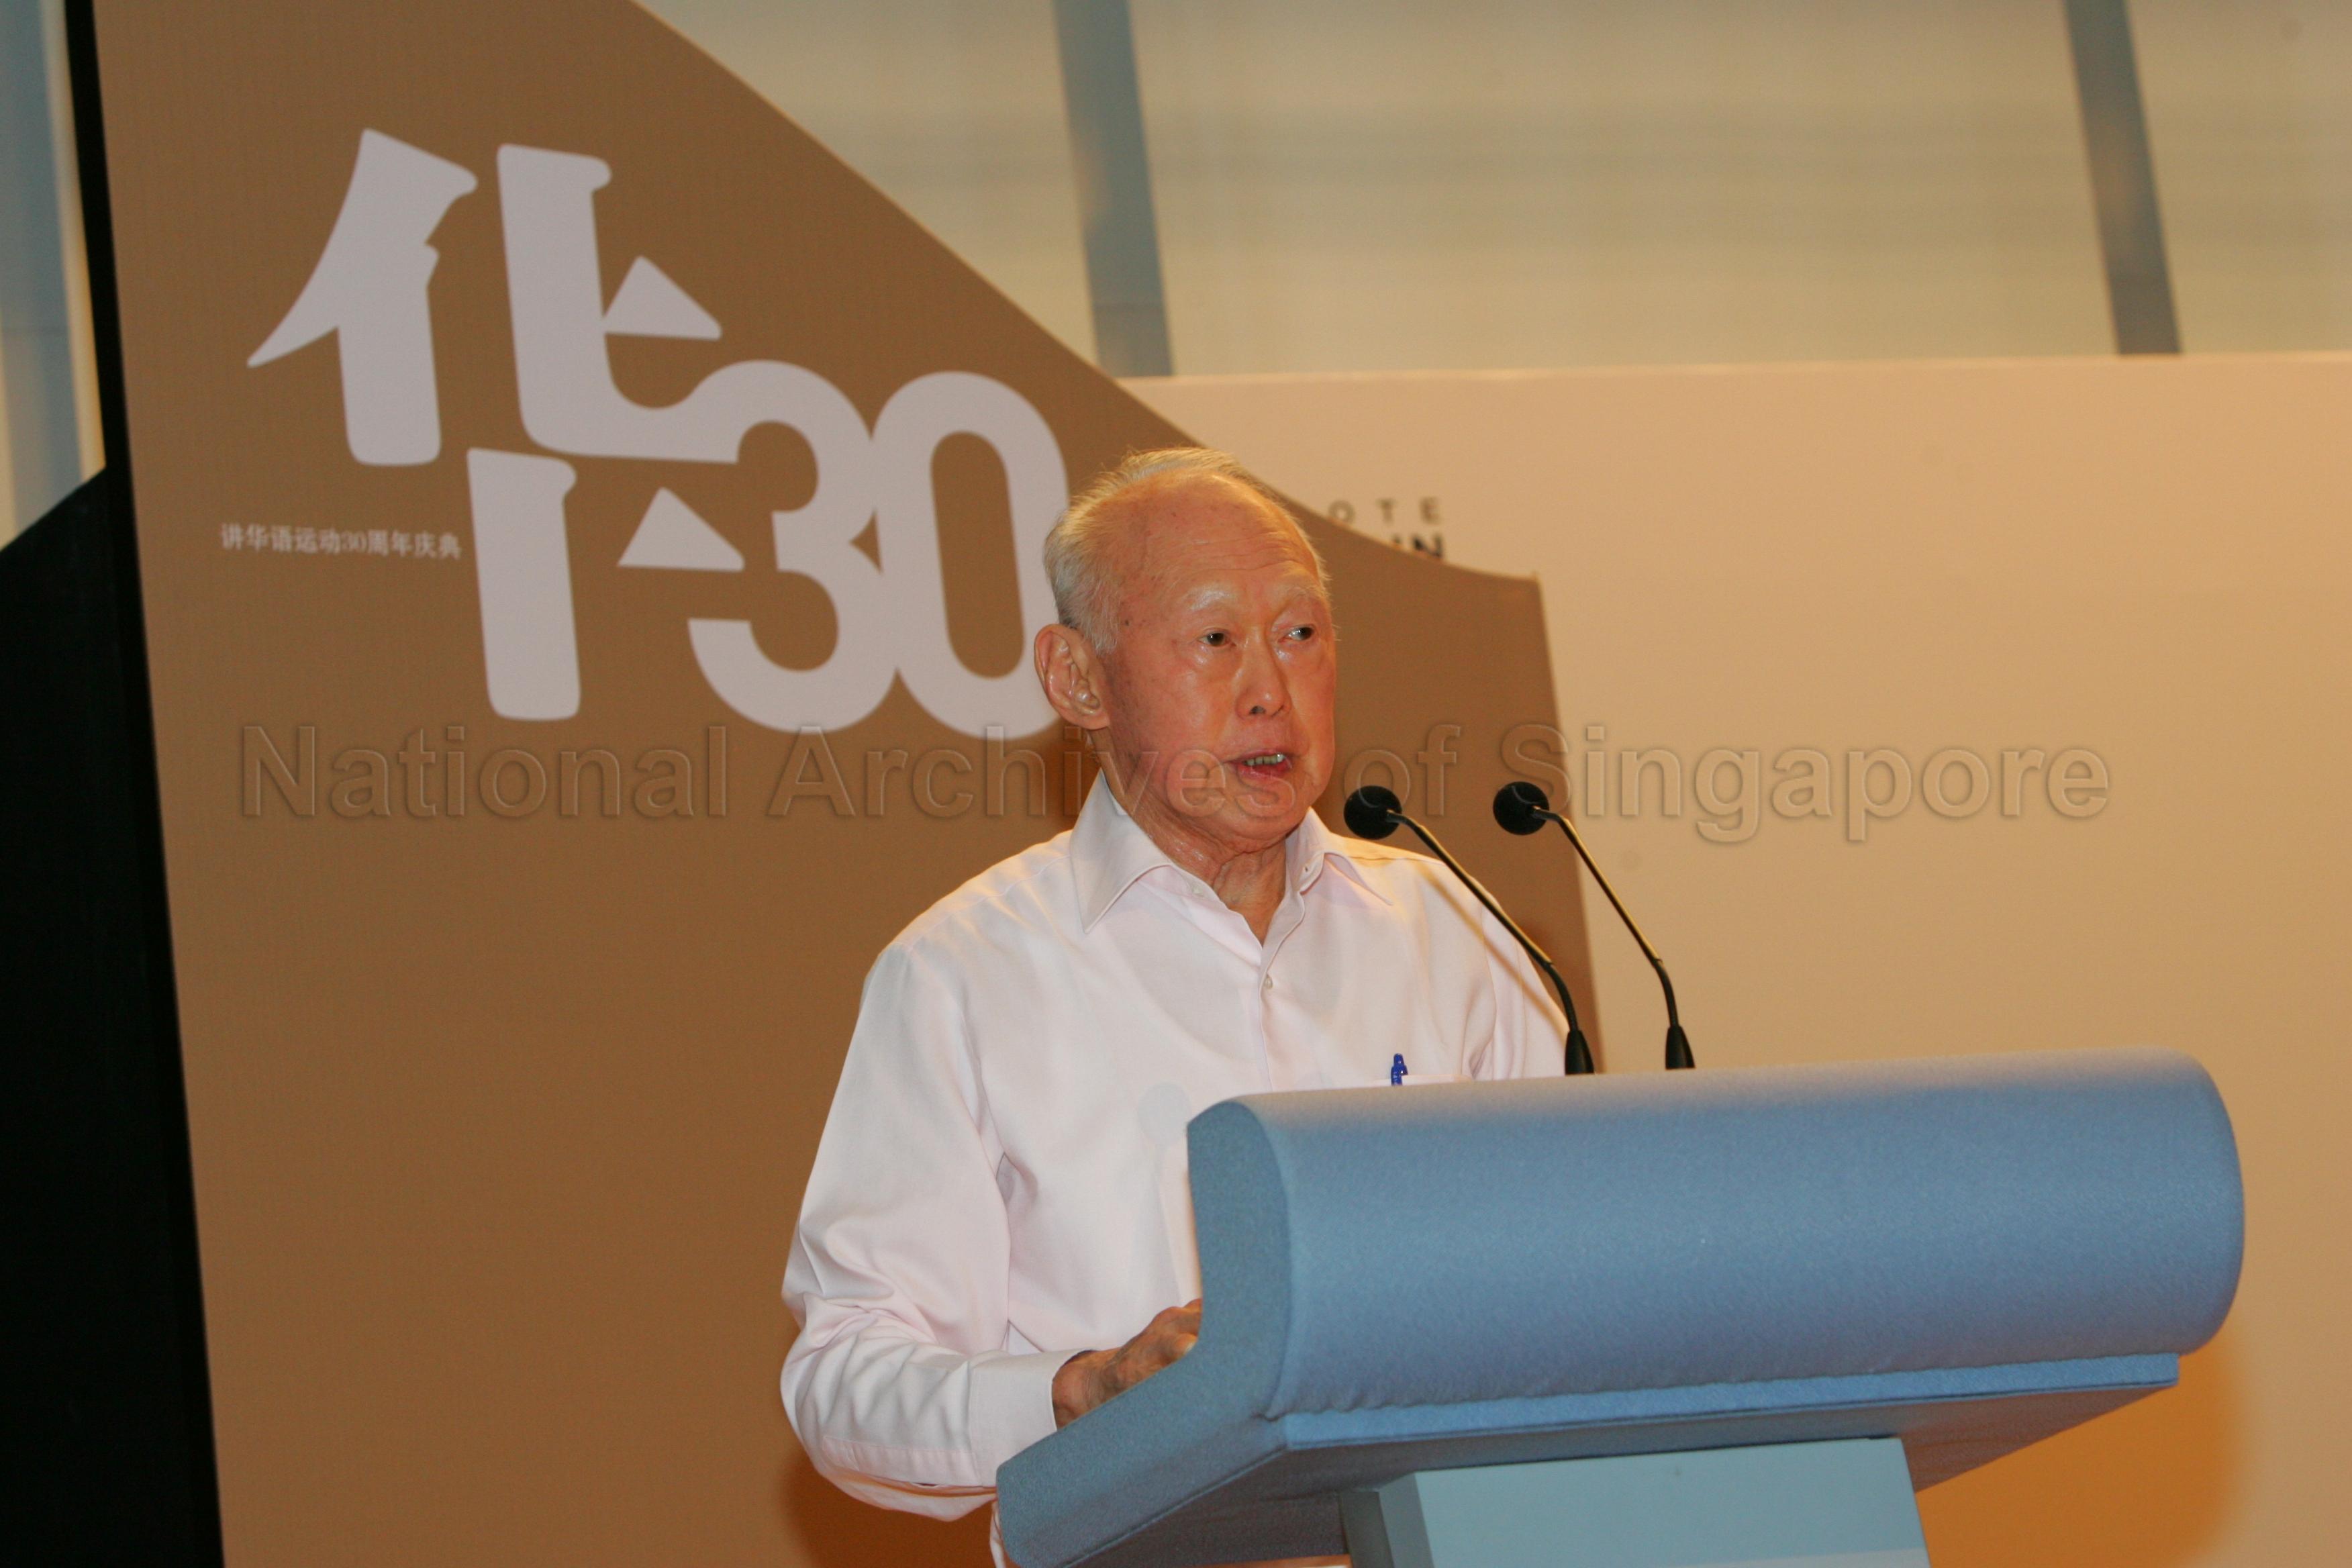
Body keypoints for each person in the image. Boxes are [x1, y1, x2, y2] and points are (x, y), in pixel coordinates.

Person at [781, 447, 1563, 1560]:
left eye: (1300, 632)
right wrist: (1079, 1391)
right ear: (1079, 681)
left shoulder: (1455, 932)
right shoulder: (965, 972)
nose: (1270, 688)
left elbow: (1569, 1286)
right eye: (1214, 639)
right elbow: (843, 1381)